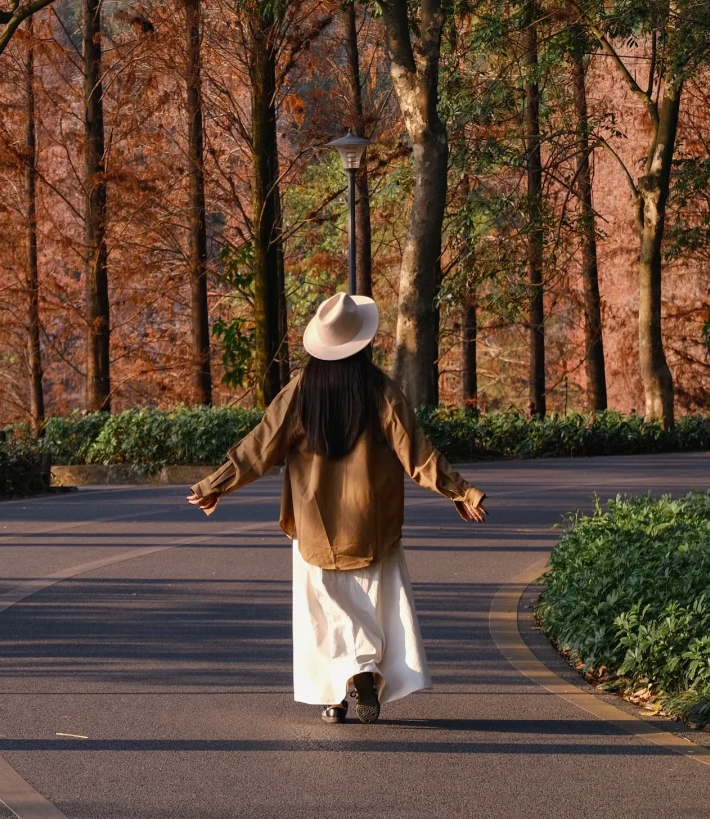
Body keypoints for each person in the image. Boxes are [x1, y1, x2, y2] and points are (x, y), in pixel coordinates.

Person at [188, 291, 487, 725]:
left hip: (315, 527)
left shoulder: (300, 392)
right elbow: (417, 453)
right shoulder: (381, 391)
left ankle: (334, 695)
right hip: (372, 523)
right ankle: (364, 671)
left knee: (323, 611)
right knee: (373, 603)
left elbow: (260, 445)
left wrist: (216, 484)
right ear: (363, 343)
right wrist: (461, 491)